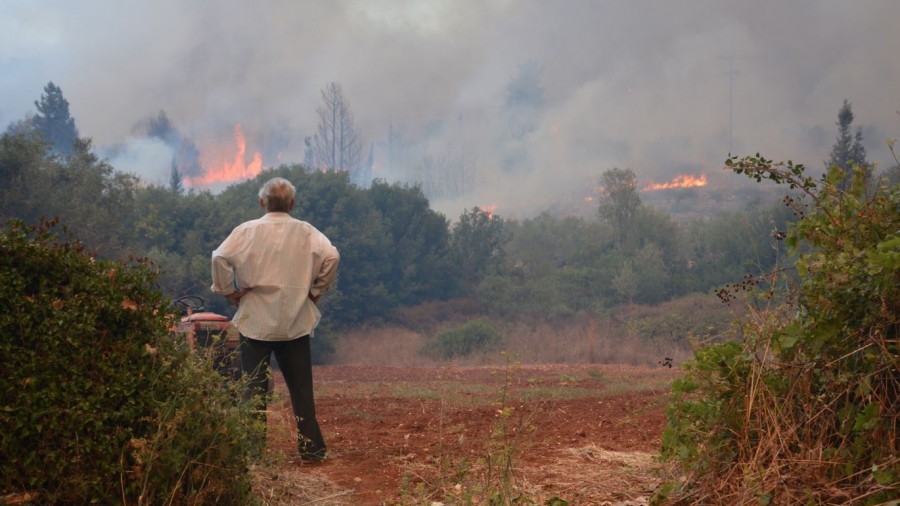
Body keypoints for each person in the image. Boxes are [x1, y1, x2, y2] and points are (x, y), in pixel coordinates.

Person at [210, 177, 339, 462]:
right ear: (292, 204)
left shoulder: (246, 231)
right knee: (301, 390)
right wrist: (315, 291)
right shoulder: (307, 232)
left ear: (262, 202)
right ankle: (312, 450)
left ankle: (252, 453)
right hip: (294, 319)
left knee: (252, 389)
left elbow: (219, 257)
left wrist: (228, 292)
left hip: (254, 319)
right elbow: (332, 256)